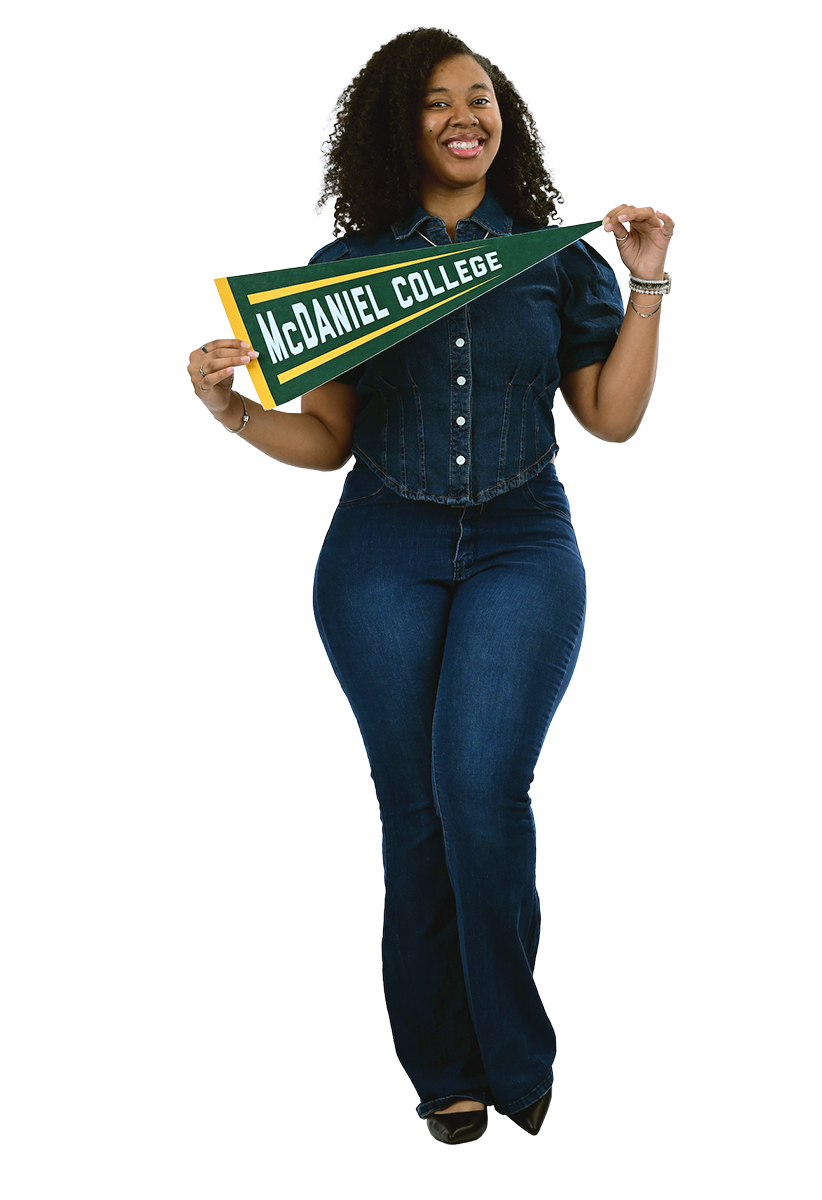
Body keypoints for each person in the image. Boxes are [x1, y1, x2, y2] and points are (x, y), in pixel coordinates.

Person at [187, 26, 673, 1145]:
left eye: (485, 97)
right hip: (380, 559)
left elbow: (612, 419)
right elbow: (325, 444)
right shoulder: (347, 272)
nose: (469, 114)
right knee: (414, 817)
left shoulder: (553, 259)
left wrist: (646, 284)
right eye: (440, 100)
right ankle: (446, 1080)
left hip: (522, 546)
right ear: (394, 124)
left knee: (483, 797)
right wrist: (229, 407)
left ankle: (516, 1053)